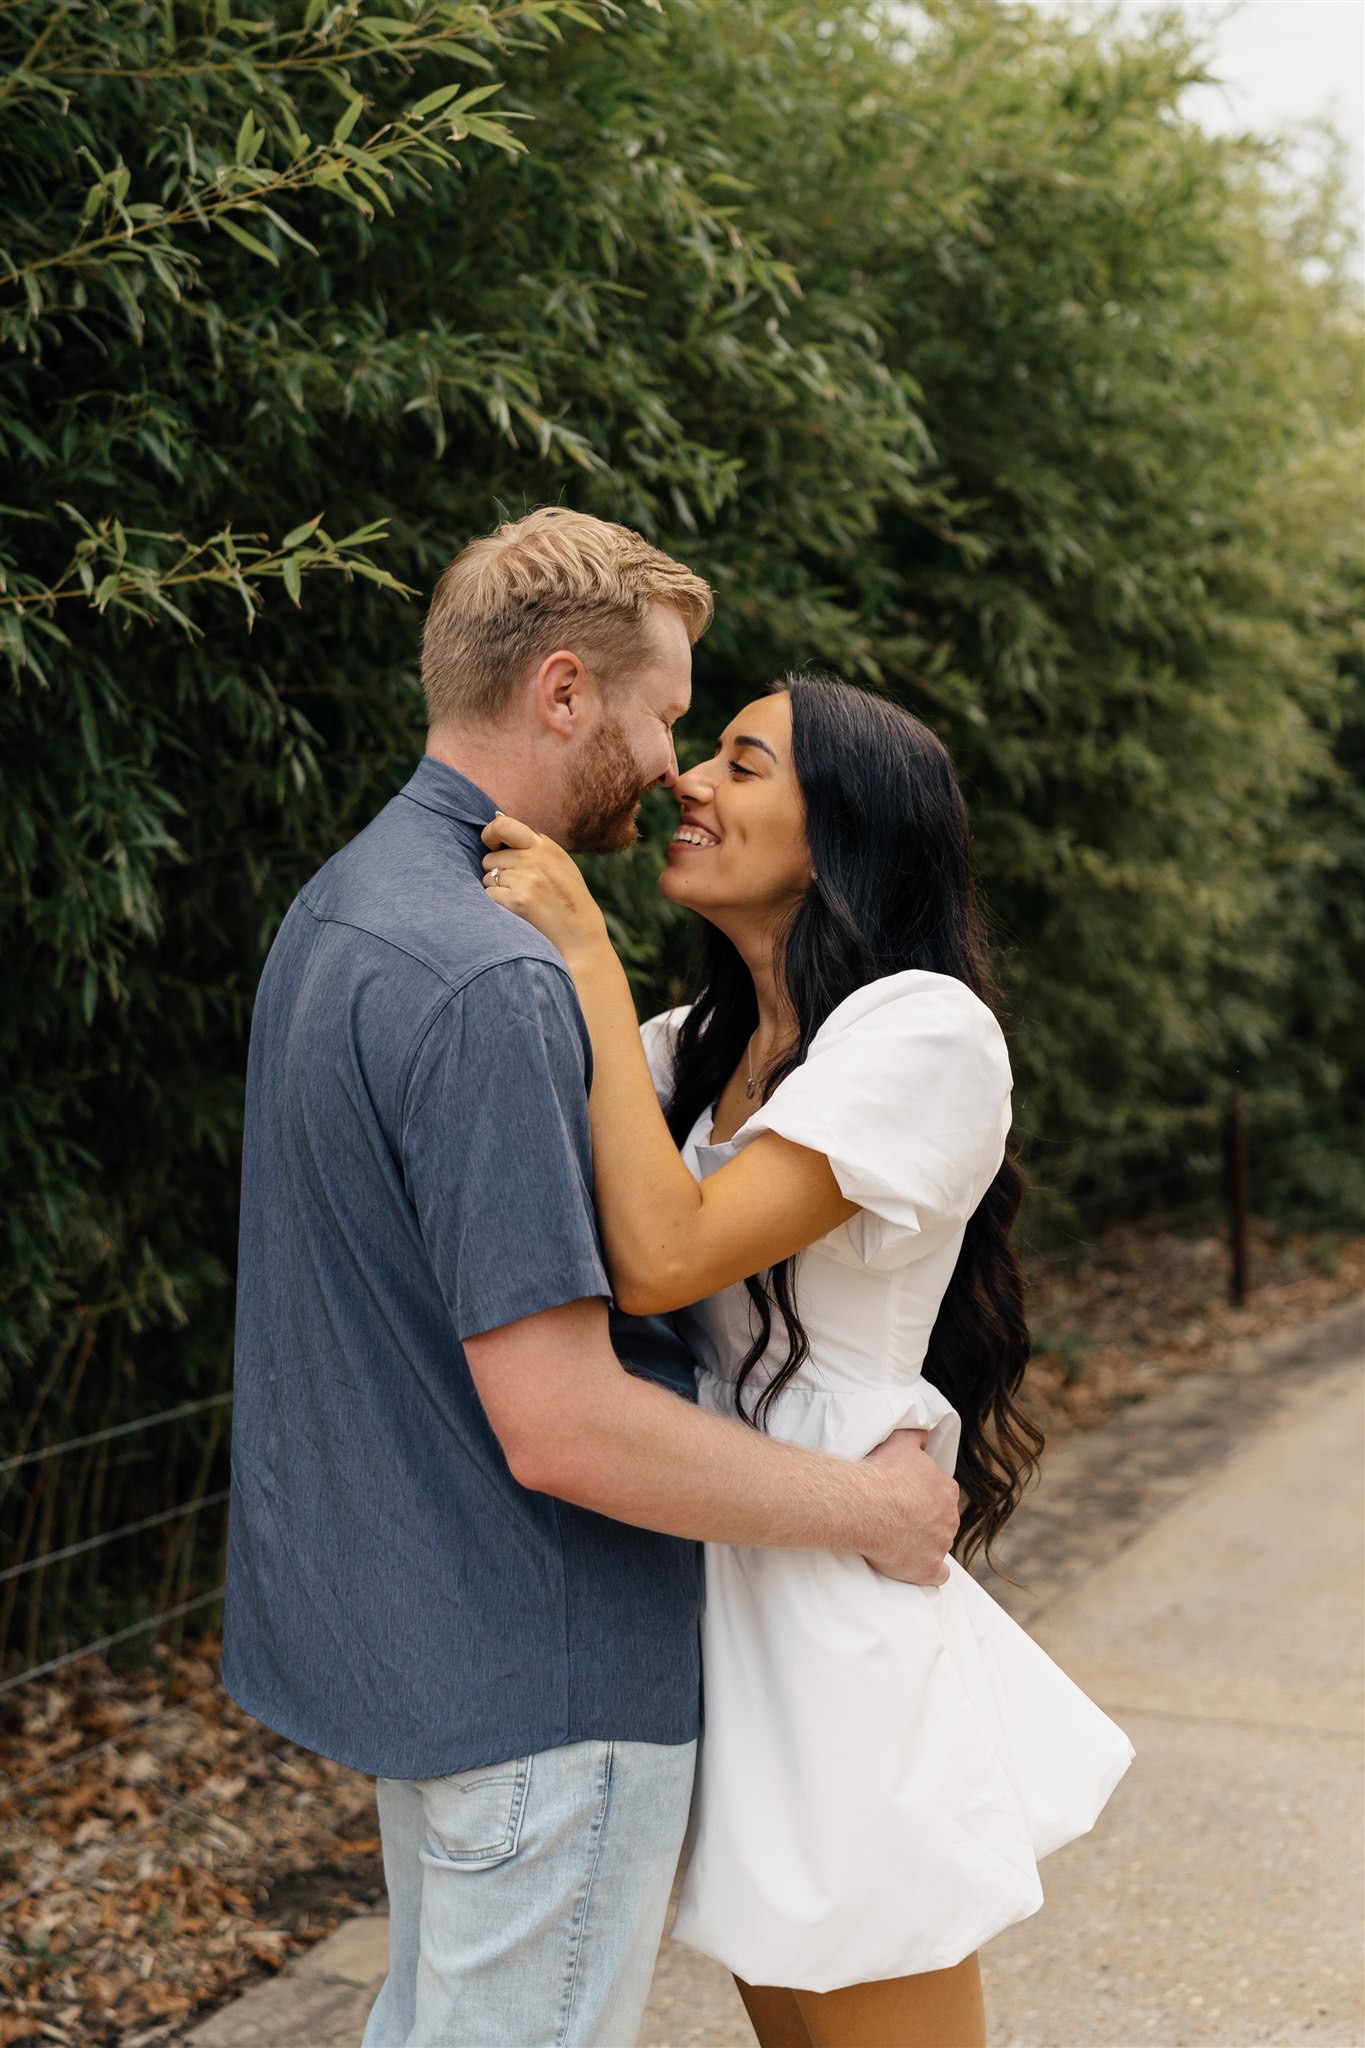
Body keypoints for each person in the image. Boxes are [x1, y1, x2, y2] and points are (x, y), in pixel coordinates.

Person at [221, 511, 962, 2048]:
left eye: (725, 750)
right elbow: (568, 1411)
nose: (676, 762)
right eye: (672, 714)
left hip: (504, 1633)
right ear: (565, 693)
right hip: (550, 1650)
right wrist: (876, 1510)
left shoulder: (342, 911)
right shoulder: (506, 981)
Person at [482, 670, 1136, 2048]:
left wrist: (588, 957)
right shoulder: (689, 1049)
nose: (689, 783)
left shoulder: (920, 1031)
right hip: (718, 1565)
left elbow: (668, 1255)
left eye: (742, 760)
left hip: (831, 1608)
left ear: (844, 827)